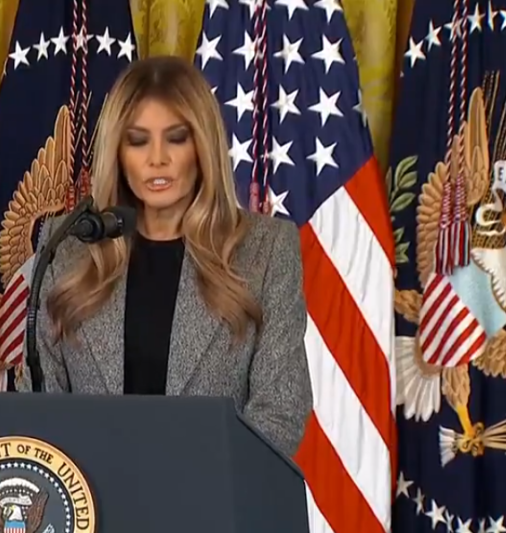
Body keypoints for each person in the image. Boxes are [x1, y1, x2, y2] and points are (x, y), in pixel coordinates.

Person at [21, 54, 311, 460]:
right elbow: (37, 408)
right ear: (118, 153)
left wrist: (186, 495)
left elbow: (279, 413)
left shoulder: (266, 250)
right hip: (90, 510)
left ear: (203, 146)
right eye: (138, 140)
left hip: (211, 509)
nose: (157, 158)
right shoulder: (66, 245)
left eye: (176, 137)